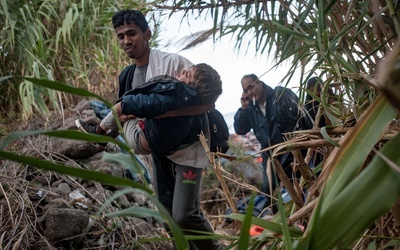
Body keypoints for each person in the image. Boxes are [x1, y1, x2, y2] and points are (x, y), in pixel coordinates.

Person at [85, 9, 221, 249]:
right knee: (168, 215)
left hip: (187, 150)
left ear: (147, 34)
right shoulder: (127, 77)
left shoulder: (174, 63)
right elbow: (125, 113)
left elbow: (207, 102)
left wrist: (165, 112)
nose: (126, 41)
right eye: (121, 36)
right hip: (159, 152)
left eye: (132, 33)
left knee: (185, 214)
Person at [234, 74, 311, 210]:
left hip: (291, 151)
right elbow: (240, 129)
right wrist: (243, 108)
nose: (249, 92)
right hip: (269, 156)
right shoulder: (251, 108)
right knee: (268, 191)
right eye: (246, 90)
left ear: (260, 83)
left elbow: (300, 120)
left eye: (251, 87)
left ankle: (307, 215)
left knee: (301, 185)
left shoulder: (280, 95)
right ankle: (280, 222)